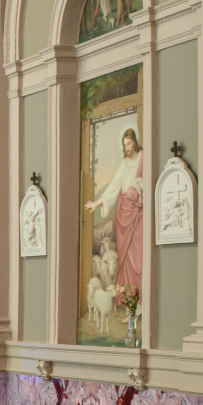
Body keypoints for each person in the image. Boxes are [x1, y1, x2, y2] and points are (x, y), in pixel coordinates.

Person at [84, 128, 143, 320]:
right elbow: (112, 189)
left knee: (138, 261)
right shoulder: (125, 164)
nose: (127, 147)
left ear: (134, 142)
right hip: (124, 216)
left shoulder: (143, 159)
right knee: (125, 261)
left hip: (138, 215)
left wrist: (137, 191)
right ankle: (131, 307)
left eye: (129, 143)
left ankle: (140, 304)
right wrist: (96, 203)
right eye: (124, 145)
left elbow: (145, 184)